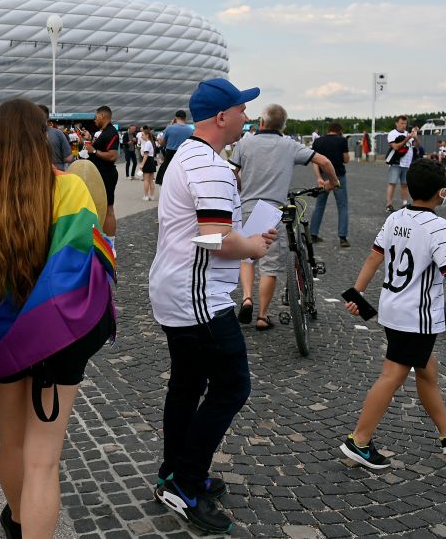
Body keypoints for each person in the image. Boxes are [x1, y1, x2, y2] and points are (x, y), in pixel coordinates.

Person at [0, 99, 115, 539]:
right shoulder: (68, 190)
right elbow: (82, 263)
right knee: (44, 460)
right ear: (40, 137)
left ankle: (18, 521)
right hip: (54, 341)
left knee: (11, 442)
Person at [148, 78, 275, 534]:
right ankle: (183, 483)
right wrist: (254, 248)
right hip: (197, 294)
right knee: (231, 387)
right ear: (221, 116)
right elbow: (216, 239)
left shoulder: (188, 154)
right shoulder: (213, 166)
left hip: (176, 287)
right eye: (242, 109)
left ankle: (173, 471)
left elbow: (208, 231)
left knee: (186, 384)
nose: (247, 116)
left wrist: (247, 239)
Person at [340, 159, 446, 469]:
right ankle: (359, 440)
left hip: (393, 310)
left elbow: (374, 258)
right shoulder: (437, 226)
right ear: (442, 192)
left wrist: (357, 292)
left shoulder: (395, 218)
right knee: (393, 376)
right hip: (417, 316)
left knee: (427, 369)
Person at [230, 104, 339, 330]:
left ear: (261, 122)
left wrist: (241, 189)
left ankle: (247, 297)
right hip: (274, 211)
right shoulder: (289, 145)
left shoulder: (245, 143)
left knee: (247, 258)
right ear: (283, 125)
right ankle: (262, 316)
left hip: (248, 207)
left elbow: (232, 173)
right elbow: (325, 162)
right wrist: (333, 183)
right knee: (270, 265)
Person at [310, 122, 351, 247]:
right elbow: (346, 160)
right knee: (342, 206)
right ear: (339, 131)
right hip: (338, 177)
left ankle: (313, 234)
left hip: (323, 176)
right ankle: (342, 237)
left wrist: (318, 177)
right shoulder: (342, 141)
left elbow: (314, 161)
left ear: (329, 130)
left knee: (319, 205)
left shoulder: (318, 141)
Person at [84, 105, 120, 238]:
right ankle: (102, 238)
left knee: (108, 208)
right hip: (100, 174)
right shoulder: (104, 132)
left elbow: (113, 156)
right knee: (100, 207)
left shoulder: (111, 132)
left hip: (107, 174)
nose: (94, 120)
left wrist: (93, 151)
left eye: (96, 117)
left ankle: (111, 243)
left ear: (102, 116)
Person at [385, 116, 416, 212]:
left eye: (405, 123)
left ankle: (404, 203)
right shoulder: (392, 134)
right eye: (402, 123)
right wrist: (408, 138)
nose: (404, 125)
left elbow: (416, 146)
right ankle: (389, 204)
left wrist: (415, 136)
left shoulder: (408, 134)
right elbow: (396, 147)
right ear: (396, 123)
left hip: (407, 163)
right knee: (392, 183)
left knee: (404, 184)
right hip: (396, 163)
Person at [156, 110, 194, 189]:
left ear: (175, 118)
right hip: (184, 153)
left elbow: (162, 143)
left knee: (164, 171)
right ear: (185, 118)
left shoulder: (170, 128)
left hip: (170, 153)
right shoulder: (190, 130)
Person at [40, 105, 73, 171]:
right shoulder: (58, 133)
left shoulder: (28, 136)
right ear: (48, 118)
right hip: (58, 173)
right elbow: (68, 158)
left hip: (36, 174)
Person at [138, 127, 157, 201]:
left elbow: (145, 155)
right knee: (151, 180)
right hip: (151, 161)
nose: (141, 136)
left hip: (147, 161)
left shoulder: (147, 143)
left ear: (147, 135)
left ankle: (146, 196)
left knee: (146, 180)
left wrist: (142, 164)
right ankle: (152, 196)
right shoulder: (150, 143)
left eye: (143, 135)